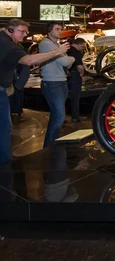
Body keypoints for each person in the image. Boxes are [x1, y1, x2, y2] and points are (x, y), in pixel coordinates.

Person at [0, 19, 70, 164]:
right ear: (10, 30)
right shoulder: (9, 45)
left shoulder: (4, 39)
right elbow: (29, 61)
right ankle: (5, 162)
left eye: (26, 32)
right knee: (4, 127)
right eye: (22, 31)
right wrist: (58, 51)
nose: (25, 35)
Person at [39, 22, 75, 148]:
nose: (60, 31)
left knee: (57, 116)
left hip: (60, 82)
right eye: (57, 29)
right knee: (59, 117)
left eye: (61, 29)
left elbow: (66, 62)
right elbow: (66, 61)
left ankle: (50, 146)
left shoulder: (56, 44)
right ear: (49, 31)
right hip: (53, 83)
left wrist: (68, 59)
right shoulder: (46, 44)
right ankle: (49, 147)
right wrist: (73, 58)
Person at [67, 38, 87, 123]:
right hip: (75, 75)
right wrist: (82, 74)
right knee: (75, 97)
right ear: (78, 44)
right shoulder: (77, 52)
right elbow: (79, 66)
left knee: (64, 97)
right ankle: (75, 116)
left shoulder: (66, 50)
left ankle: (63, 116)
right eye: (82, 46)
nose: (82, 48)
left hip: (66, 75)